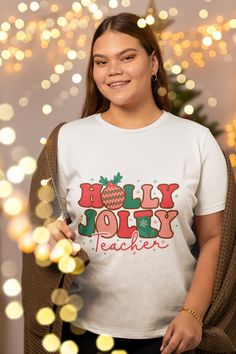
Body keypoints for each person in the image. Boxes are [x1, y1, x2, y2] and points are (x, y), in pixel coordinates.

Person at [22, 12, 236, 354]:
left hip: (170, 336)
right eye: (101, 61)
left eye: (127, 57)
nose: (113, 70)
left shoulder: (196, 140)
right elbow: (44, 225)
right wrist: (47, 234)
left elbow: (215, 238)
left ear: (153, 63)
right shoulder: (67, 140)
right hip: (81, 332)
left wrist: (192, 314)